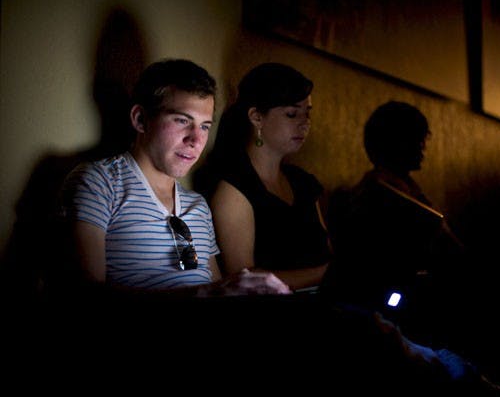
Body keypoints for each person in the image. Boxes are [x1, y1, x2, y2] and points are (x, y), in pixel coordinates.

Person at [59, 58, 290, 301]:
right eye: (182, 121)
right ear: (140, 119)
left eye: (204, 126)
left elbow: (217, 289)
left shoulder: (198, 205)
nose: (195, 140)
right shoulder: (98, 183)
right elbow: (83, 295)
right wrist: (204, 292)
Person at [324, 101, 465, 344]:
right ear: (394, 142)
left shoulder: (406, 189)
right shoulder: (379, 194)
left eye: (423, 139)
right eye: (416, 139)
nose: (423, 147)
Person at [195, 62, 330, 291]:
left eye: (307, 113)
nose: (305, 123)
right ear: (257, 117)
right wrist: (326, 273)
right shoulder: (234, 190)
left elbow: (327, 252)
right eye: (291, 114)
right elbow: (244, 280)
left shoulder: (303, 183)